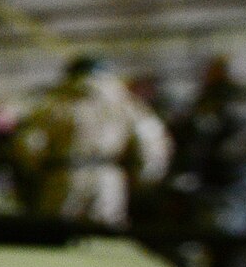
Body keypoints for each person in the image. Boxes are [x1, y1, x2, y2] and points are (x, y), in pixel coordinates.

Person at [15, 55, 171, 228]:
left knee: (58, 232)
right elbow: (150, 145)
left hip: (62, 176)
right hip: (108, 179)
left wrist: (38, 173)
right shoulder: (127, 104)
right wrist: (142, 180)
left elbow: (28, 144)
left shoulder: (51, 105)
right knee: (105, 236)